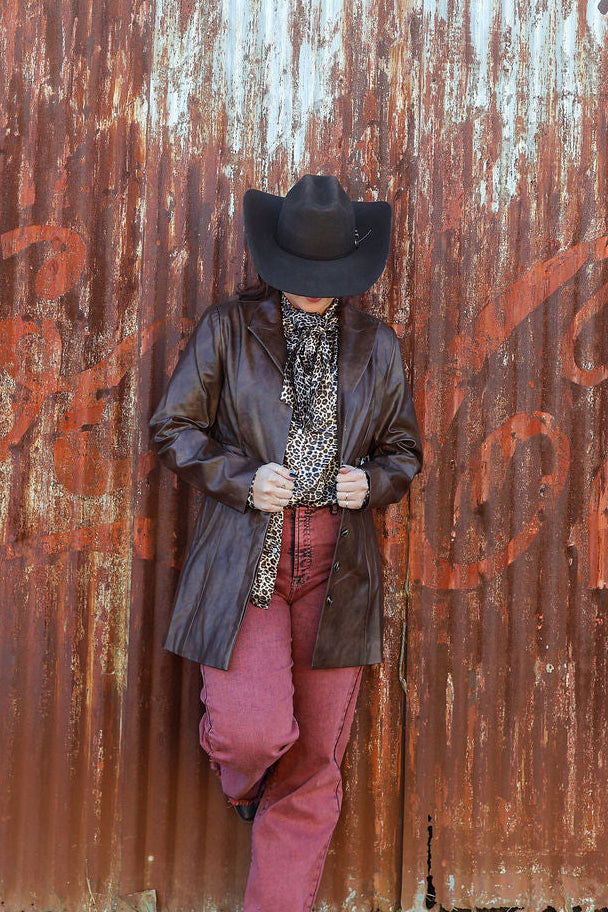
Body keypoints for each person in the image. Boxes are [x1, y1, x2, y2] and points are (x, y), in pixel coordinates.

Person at [149, 174, 423, 912]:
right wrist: (239, 477)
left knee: (313, 771)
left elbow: (404, 451)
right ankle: (247, 788)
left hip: (340, 569)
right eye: (298, 278)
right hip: (248, 556)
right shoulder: (227, 329)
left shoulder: (378, 345)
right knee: (251, 734)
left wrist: (376, 482)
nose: (309, 291)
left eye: (324, 280)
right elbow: (172, 429)